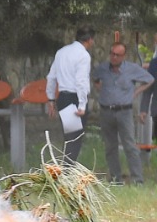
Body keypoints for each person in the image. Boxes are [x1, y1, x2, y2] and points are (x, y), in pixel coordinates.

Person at [94, 41, 153, 184]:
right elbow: (95, 79)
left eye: (117, 55)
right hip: (106, 112)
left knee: (130, 146)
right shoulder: (102, 68)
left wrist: (136, 92)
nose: (114, 57)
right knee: (110, 146)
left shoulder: (132, 69)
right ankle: (115, 179)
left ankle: (137, 180)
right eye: (112, 54)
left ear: (123, 56)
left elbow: (150, 79)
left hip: (124, 112)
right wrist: (102, 91)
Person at [46, 26, 95, 163]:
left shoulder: (61, 52)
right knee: (74, 139)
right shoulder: (83, 55)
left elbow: (51, 77)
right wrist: (82, 104)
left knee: (69, 136)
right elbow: (81, 81)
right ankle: (67, 172)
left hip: (62, 97)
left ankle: (66, 169)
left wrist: (51, 99)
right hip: (74, 98)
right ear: (90, 40)